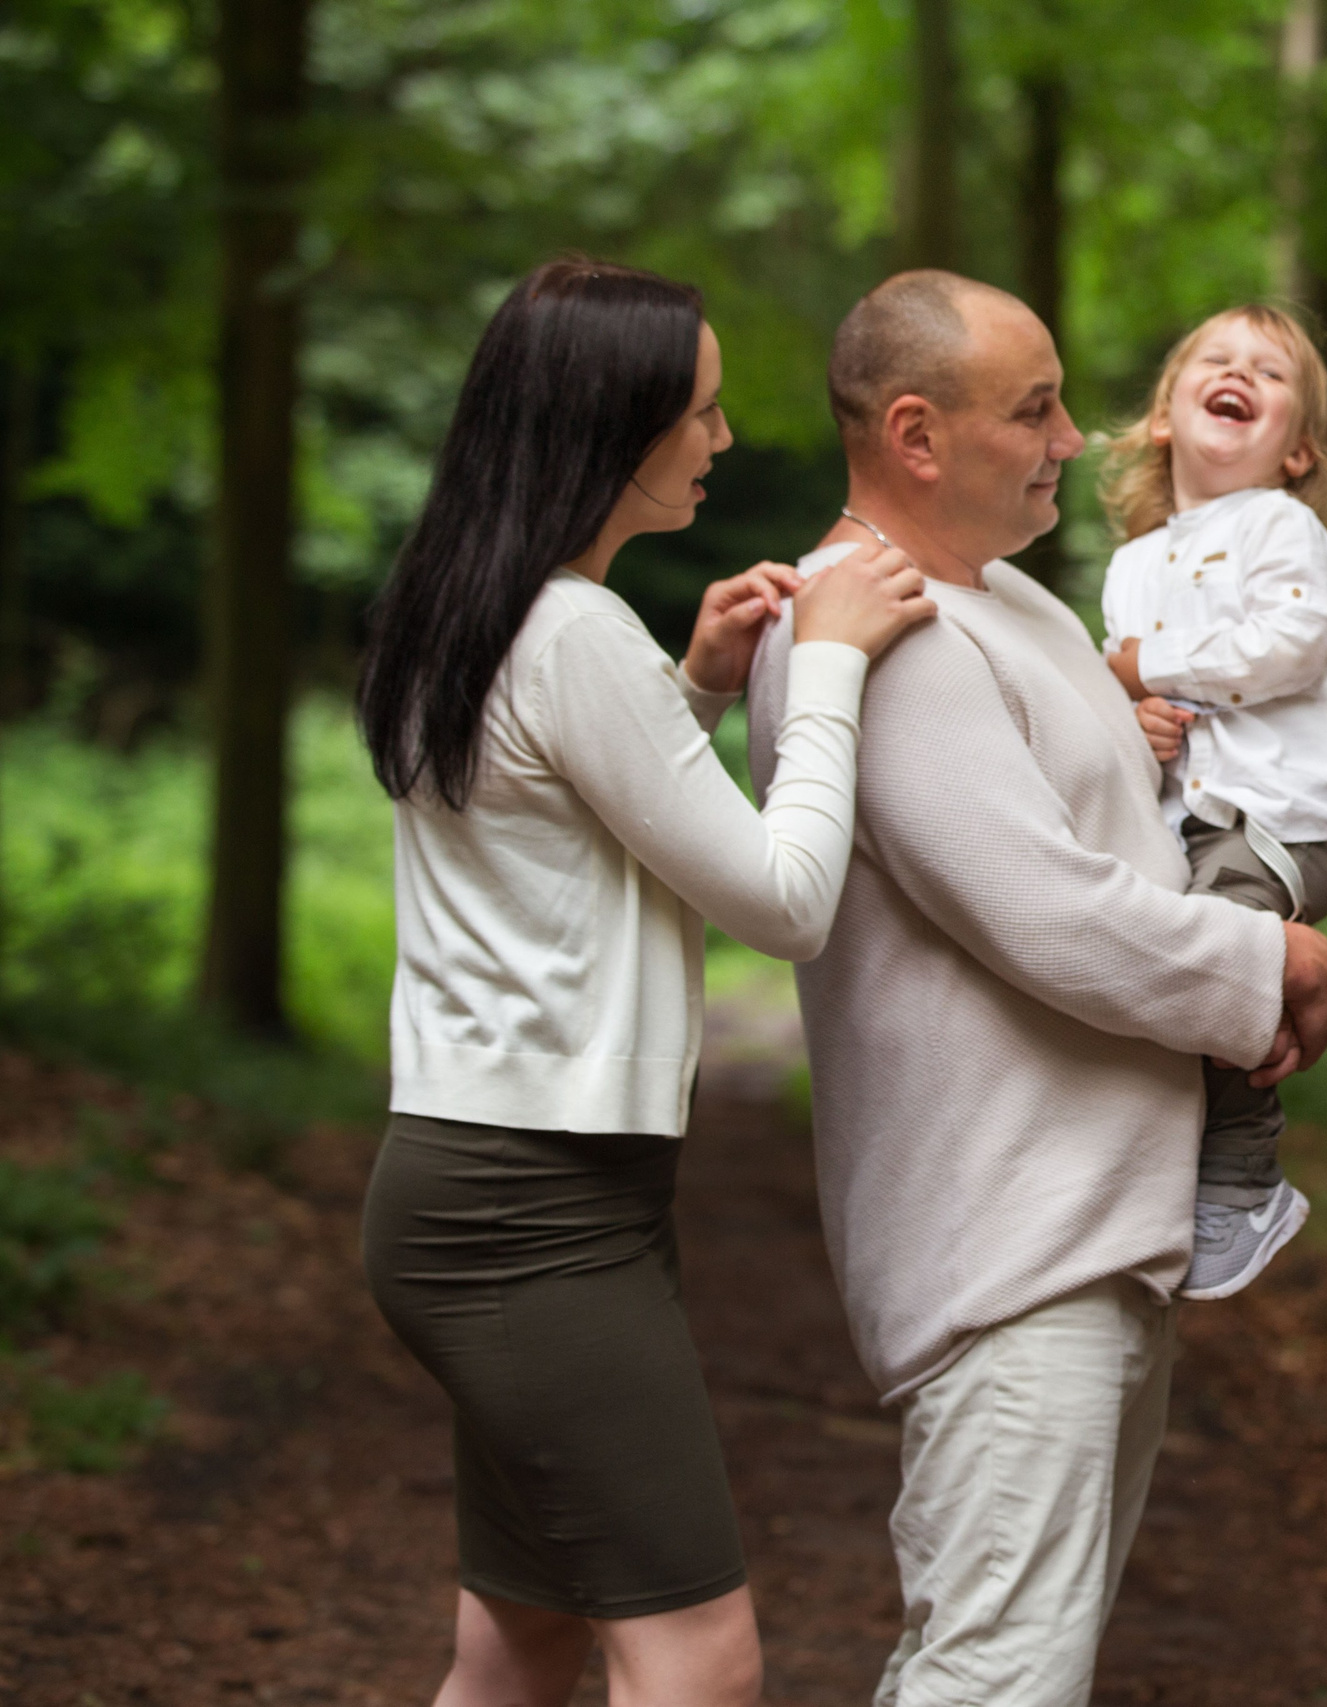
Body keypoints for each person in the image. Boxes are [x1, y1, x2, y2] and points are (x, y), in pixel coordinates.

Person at [742, 270, 1327, 1707]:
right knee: (994, 1674)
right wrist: (1270, 958)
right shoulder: (869, 630)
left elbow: (1122, 831)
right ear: (915, 433)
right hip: (1006, 1250)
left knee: (1026, 1665)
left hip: (1096, 1228)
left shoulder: (1009, 600)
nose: (1075, 435)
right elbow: (1045, 909)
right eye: (1034, 408)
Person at [356, 257, 935, 1707]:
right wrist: (838, 670)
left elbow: (562, 840)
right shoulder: (570, 634)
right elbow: (785, 900)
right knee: (699, 1656)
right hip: (528, 1211)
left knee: (522, 1641)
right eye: (702, 409)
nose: (723, 439)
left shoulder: (470, 606)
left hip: (487, 1183)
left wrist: (691, 691)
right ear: (607, 427)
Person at [1096, 303, 1327, 1299]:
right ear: (1165, 417)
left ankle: (1244, 1173)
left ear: (1297, 450)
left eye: (1269, 373)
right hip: (1185, 819)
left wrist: (1142, 667)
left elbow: (1289, 646)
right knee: (1146, 956)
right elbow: (1133, 703)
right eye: (1215, 362)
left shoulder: (1283, 530)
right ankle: (1160, 1159)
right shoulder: (1132, 567)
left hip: (1281, 812)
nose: (1239, 374)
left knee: (1216, 944)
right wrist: (1134, 721)